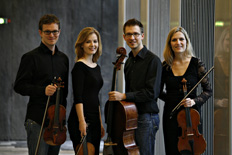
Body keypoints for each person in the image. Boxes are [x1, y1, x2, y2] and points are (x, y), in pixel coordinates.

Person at [14, 14, 69, 155]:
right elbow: (19, 86)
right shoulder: (30, 57)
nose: (52, 35)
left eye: (55, 31)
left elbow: (65, 93)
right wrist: (42, 90)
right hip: (37, 120)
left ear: (59, 32)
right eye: (47, 32)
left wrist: (62, 119)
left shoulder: (63, 59)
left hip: (57, 123)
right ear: (40, 33)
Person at [108, 18, 162, 155]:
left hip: (147, 117)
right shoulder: (129, 61)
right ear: (124, 37)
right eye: (129, 34)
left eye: (136, 34)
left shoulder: (153, 60)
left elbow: (152, 93)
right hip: (132, 116)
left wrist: (124, 96)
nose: (132, 38)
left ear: (142, 36)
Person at [159, 26, 212, 155]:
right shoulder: (165, 66)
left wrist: (194, 101)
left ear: (186, 42)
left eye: (181, 39)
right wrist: (173, 100)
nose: (178, 43)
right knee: (172, 150)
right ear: (170, 44)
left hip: (192, 116)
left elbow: (208, 91)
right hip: (171, 115)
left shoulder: (196, 63)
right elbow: (159, 92)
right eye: (174, 40)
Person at [67, 27, 105, 155]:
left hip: (94, 119)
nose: (92, 45)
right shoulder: (79, 67)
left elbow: (96, 97)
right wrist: (81, 121)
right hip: (81, 118)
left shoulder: (97, 67)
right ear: (81, 44)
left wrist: (100, 122)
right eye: (88, 41)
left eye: (95, 41)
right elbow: (78, 97)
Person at [214, 27, 230, 154]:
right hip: (219, 110)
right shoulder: (215, 61)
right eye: (228, 39)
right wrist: (218, 102)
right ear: (222, 41)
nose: (229, 43)